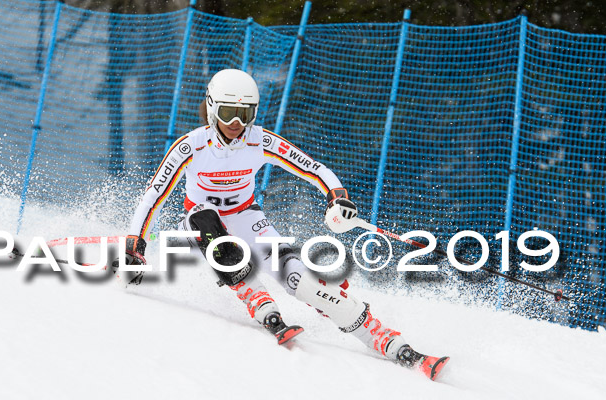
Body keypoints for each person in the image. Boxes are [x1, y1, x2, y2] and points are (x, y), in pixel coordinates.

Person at [119, 69, 448, 380]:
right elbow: (153, 196)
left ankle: (388, 342)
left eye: (245, 114)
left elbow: (313, 168)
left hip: (247, 217)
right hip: (198, 221)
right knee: (209, 227)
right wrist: (136, 245)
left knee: (303, 282)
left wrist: (337, 196)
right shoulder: (190, 147)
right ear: (211, 108)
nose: (236, 123)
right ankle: (260, 302)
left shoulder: (260, 141)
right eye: (229, 112)